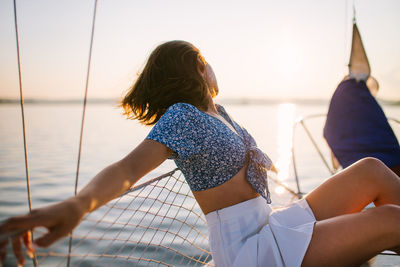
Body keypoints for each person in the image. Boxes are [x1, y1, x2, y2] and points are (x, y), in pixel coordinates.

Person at [1, 40, 400, 267]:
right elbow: (127, 168)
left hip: (272, 225)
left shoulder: (218, 113)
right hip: (251, 251)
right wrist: (79, 203)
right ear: (198, 65)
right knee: (390, 221)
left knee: (371, 170)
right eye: (208, 63)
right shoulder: (182, 117)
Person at [324, 23, 400, 176]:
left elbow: (328, 132)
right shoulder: (367, 102)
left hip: (357, 168)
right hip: (390, 166)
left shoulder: (342, 94)